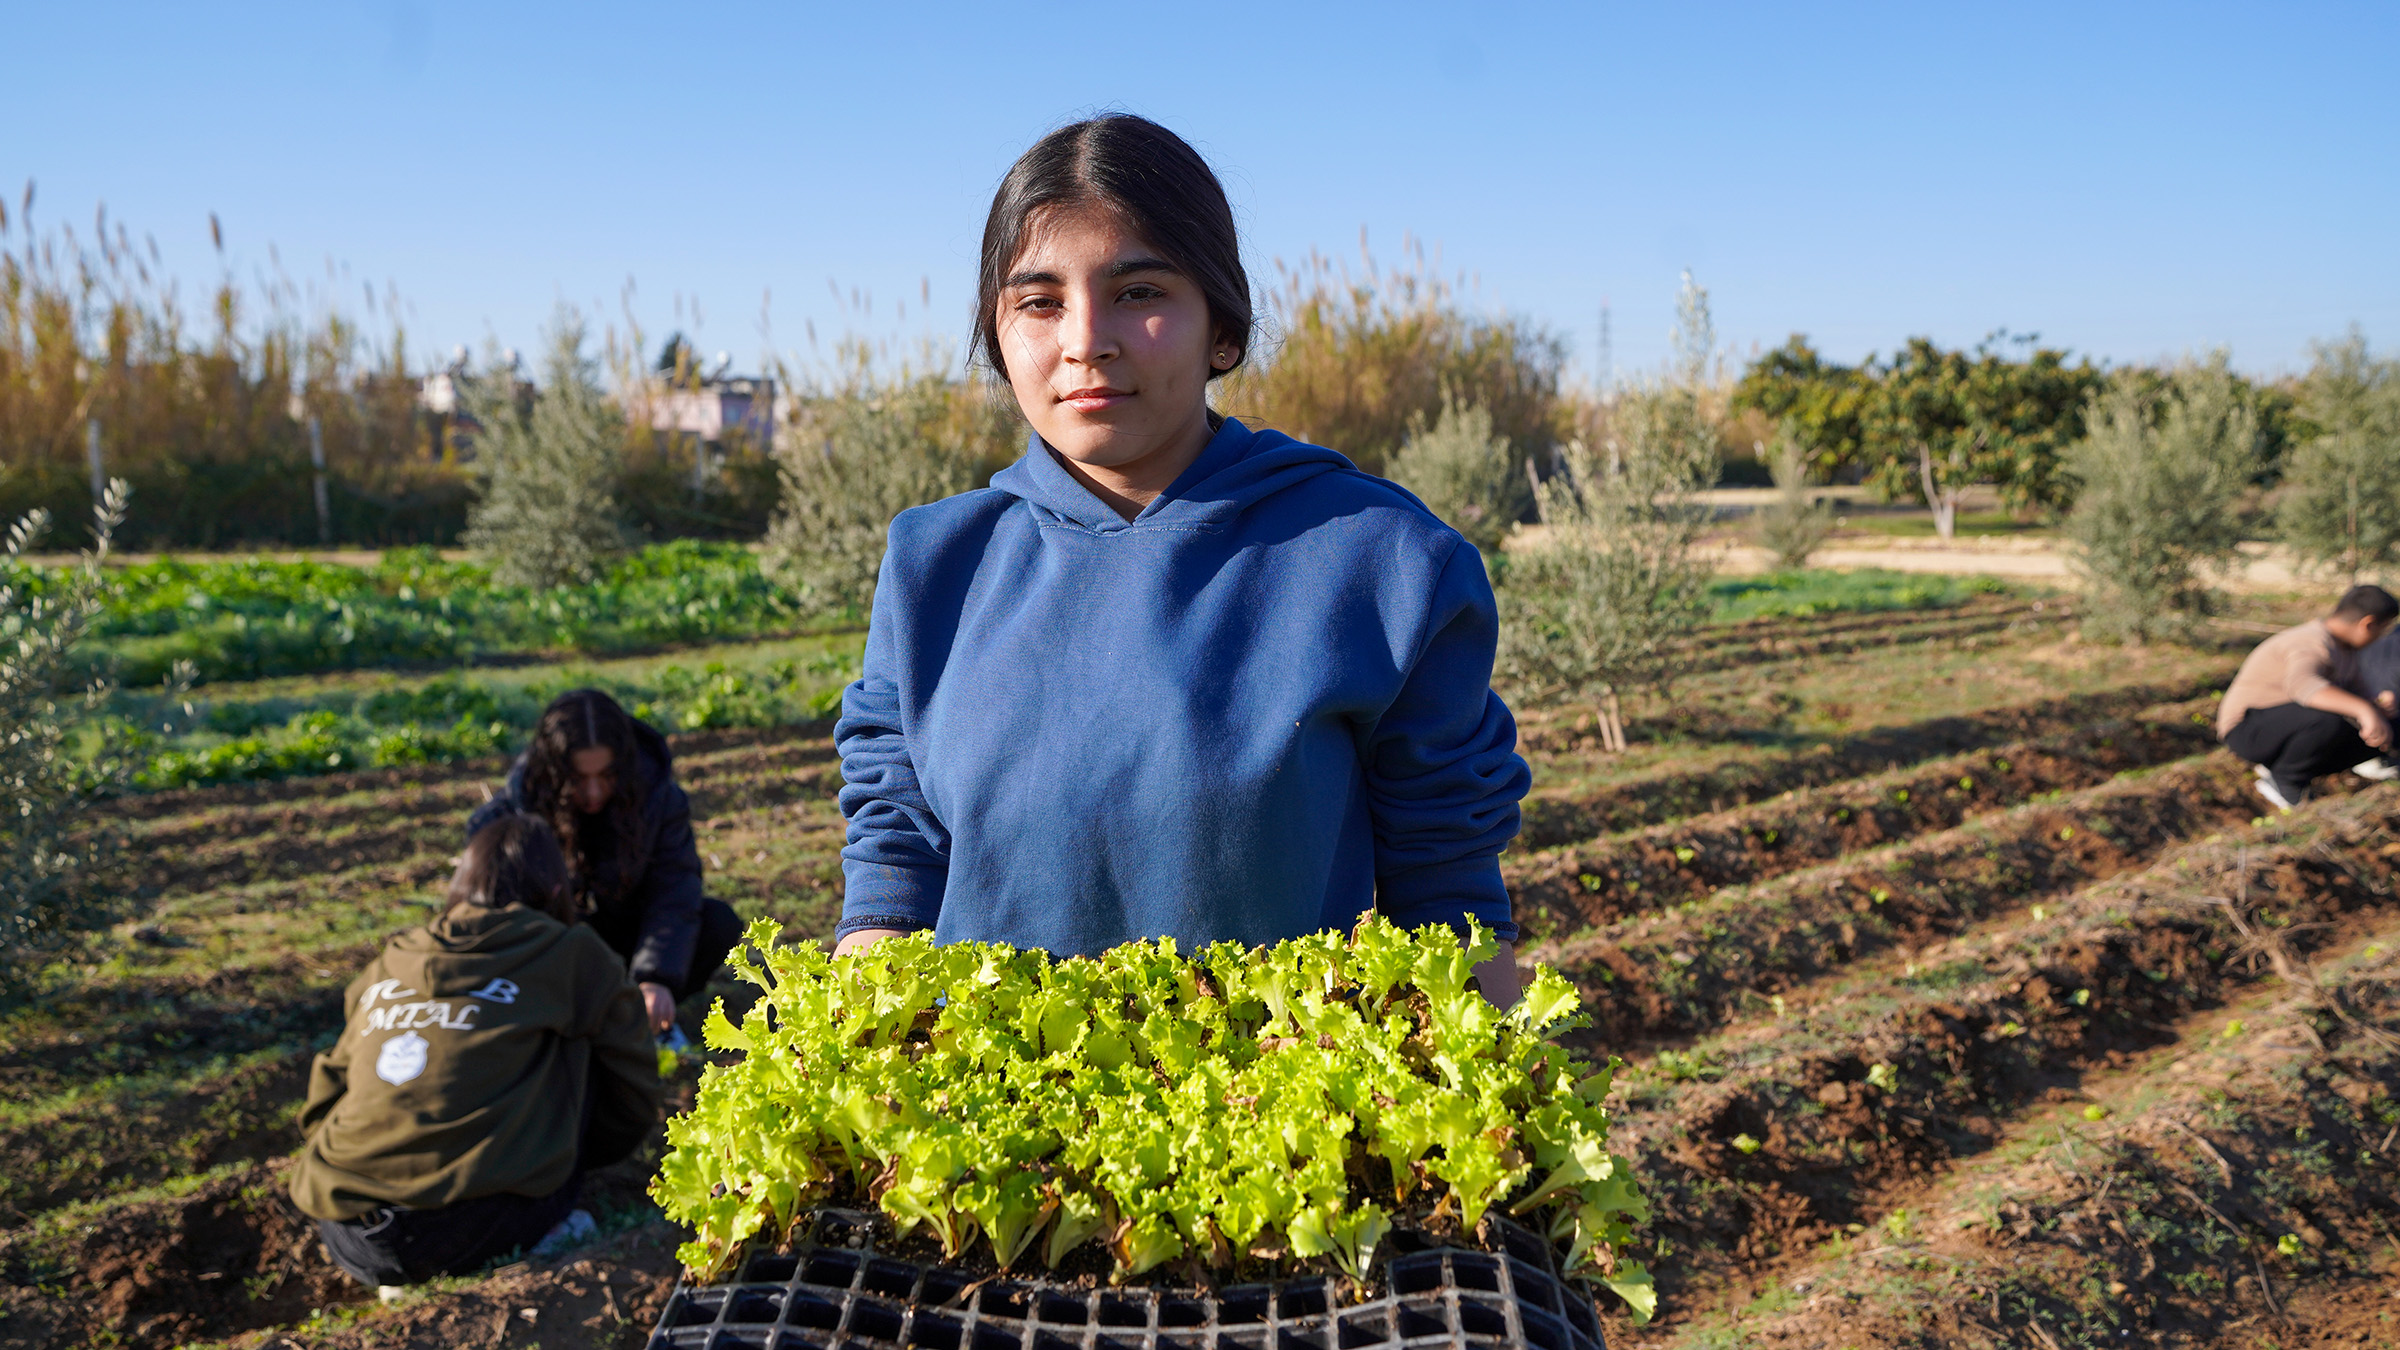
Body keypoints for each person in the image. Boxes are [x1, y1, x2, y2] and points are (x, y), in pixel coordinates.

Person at [832, 115, 1530, 1004]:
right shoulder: (934, 568)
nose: (1087, 340)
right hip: (984, 1132)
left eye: (1139, 292)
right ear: (999, 340)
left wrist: (1495, 1120)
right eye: (1039, 302)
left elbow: (1448, 896)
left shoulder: (1383, 564)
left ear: (1223, 329)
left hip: (1273, 1127)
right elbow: (894, 867)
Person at [290, 812, 663, 1288]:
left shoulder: (391, 960)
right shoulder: (571, 953)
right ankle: (546, 1233)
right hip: (479, 1223)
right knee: (579, 1053)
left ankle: (400, 1273)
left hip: (348, 1231)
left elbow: (325, 1094)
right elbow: (633, 1086)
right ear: (554, 892)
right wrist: (582, 1158)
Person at [468, 688, 742, 1039]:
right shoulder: (511, 813)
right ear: (555, 772)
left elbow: (674, 890)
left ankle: (640, 1014)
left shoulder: (660, 799)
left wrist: (655, 978)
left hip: (629, 941)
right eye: (579, 780)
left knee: (717, 923)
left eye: (607, 776)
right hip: (556, 951)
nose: (594, 792)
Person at [2217, 583, 2400, 811]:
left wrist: (2376, 704)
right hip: (2247, 731)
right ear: (2368, 624)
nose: (2381, 639)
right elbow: (2304, 687)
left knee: (2391, 726)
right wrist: (2364, 709)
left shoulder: (2347, 650)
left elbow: (2358, 692)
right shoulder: (2310, 641)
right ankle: (2284, 780)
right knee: (2329, 716)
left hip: (2287, 727)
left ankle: (2288, 767)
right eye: (2382, 630)